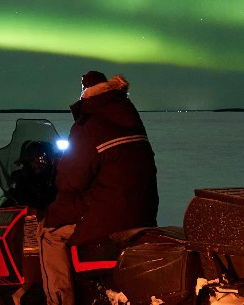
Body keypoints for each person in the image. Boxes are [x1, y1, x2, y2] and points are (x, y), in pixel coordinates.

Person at [39, 71, 159, 305]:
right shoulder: (131, 120)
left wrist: (60, 169)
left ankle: (59, 301)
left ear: (86, 92)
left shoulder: (89, 124)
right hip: (143, 212)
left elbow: (69, 181)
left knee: (49, 233)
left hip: (110, 216)